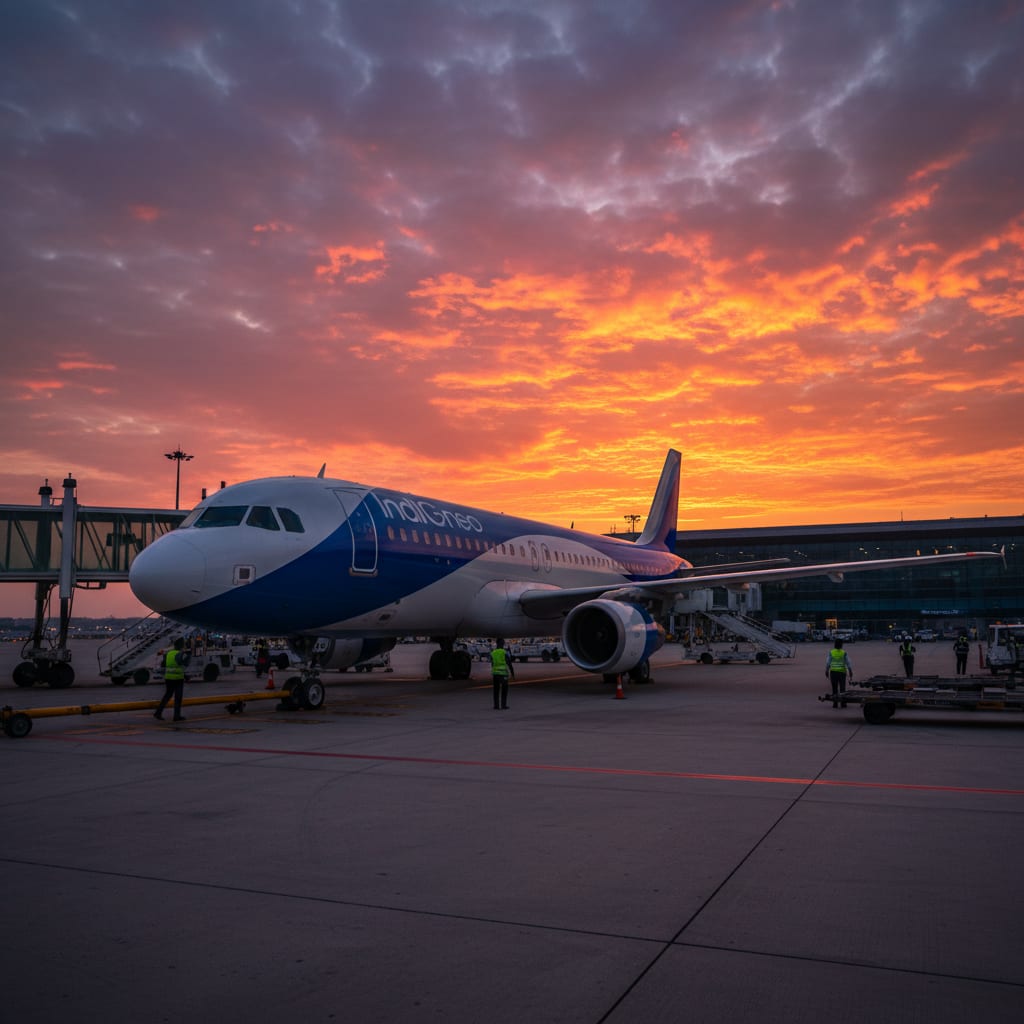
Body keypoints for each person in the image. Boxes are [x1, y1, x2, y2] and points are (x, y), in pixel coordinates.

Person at [155, 637, 189, 721]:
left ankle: (158, 712)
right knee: (178, 698)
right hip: (178, 678)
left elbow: (164, 664)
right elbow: (182, 665)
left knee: (167, 696)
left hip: (168, 677)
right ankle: (176, 716)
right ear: (181, 645)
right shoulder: (180, 654)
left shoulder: (169, 653)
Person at [825, 639, 852, 708]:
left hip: (833, 672)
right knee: (842, 688)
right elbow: (848, 663)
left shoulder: (831, 652)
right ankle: (843, 703)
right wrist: (850, 671)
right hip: (842, 673)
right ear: (841, 645)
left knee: (834, 688)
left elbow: (828, 663)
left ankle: (835, 703)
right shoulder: (844, 653)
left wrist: (826, 671)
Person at [490, 639, 514, 710]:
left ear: (496, 644)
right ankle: (503, 705)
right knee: (504, 690)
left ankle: (496, 706)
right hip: (503, 674)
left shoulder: (493, 652)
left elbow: (492, 664)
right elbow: (509, 663)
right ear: (502, 644)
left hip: (495, 674)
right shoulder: (504, 652)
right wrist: (512, 673)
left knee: (496, 690)